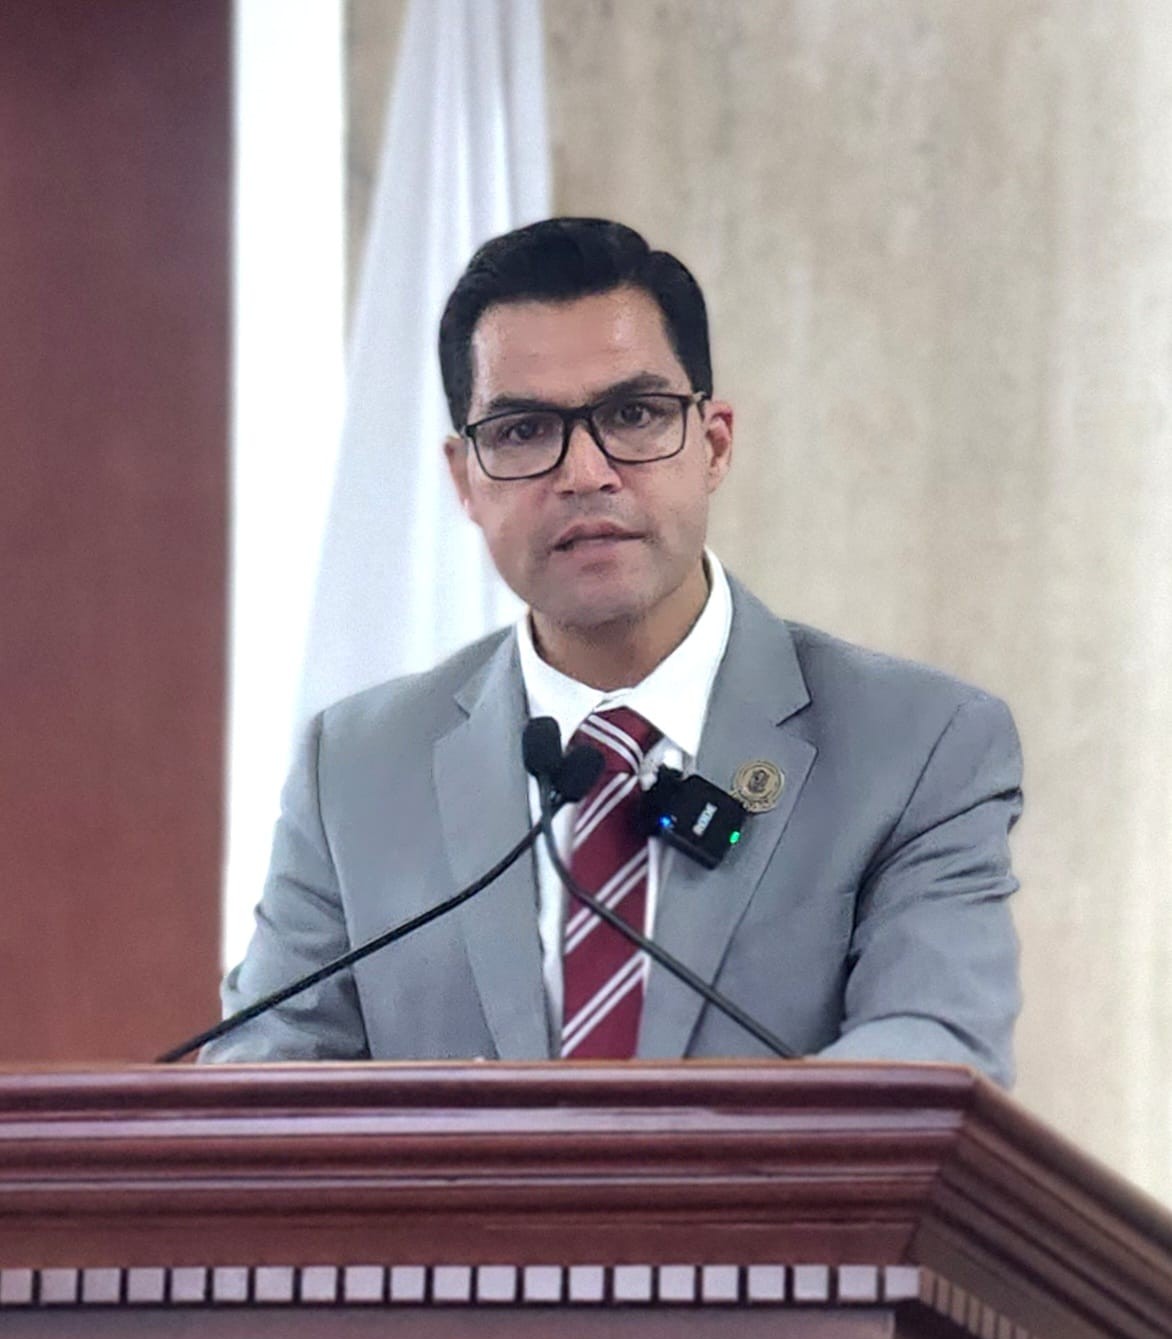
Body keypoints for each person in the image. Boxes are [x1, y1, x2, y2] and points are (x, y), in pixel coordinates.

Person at [203, 218, 1022, 1083]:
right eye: (523, 430)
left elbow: (929, 1059)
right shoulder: (356, 769)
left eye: (633, 416)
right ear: (465, 478)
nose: (585, 473)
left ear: (714, 444)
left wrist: (661, 1158)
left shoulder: (918, 747)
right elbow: (260, 1079)